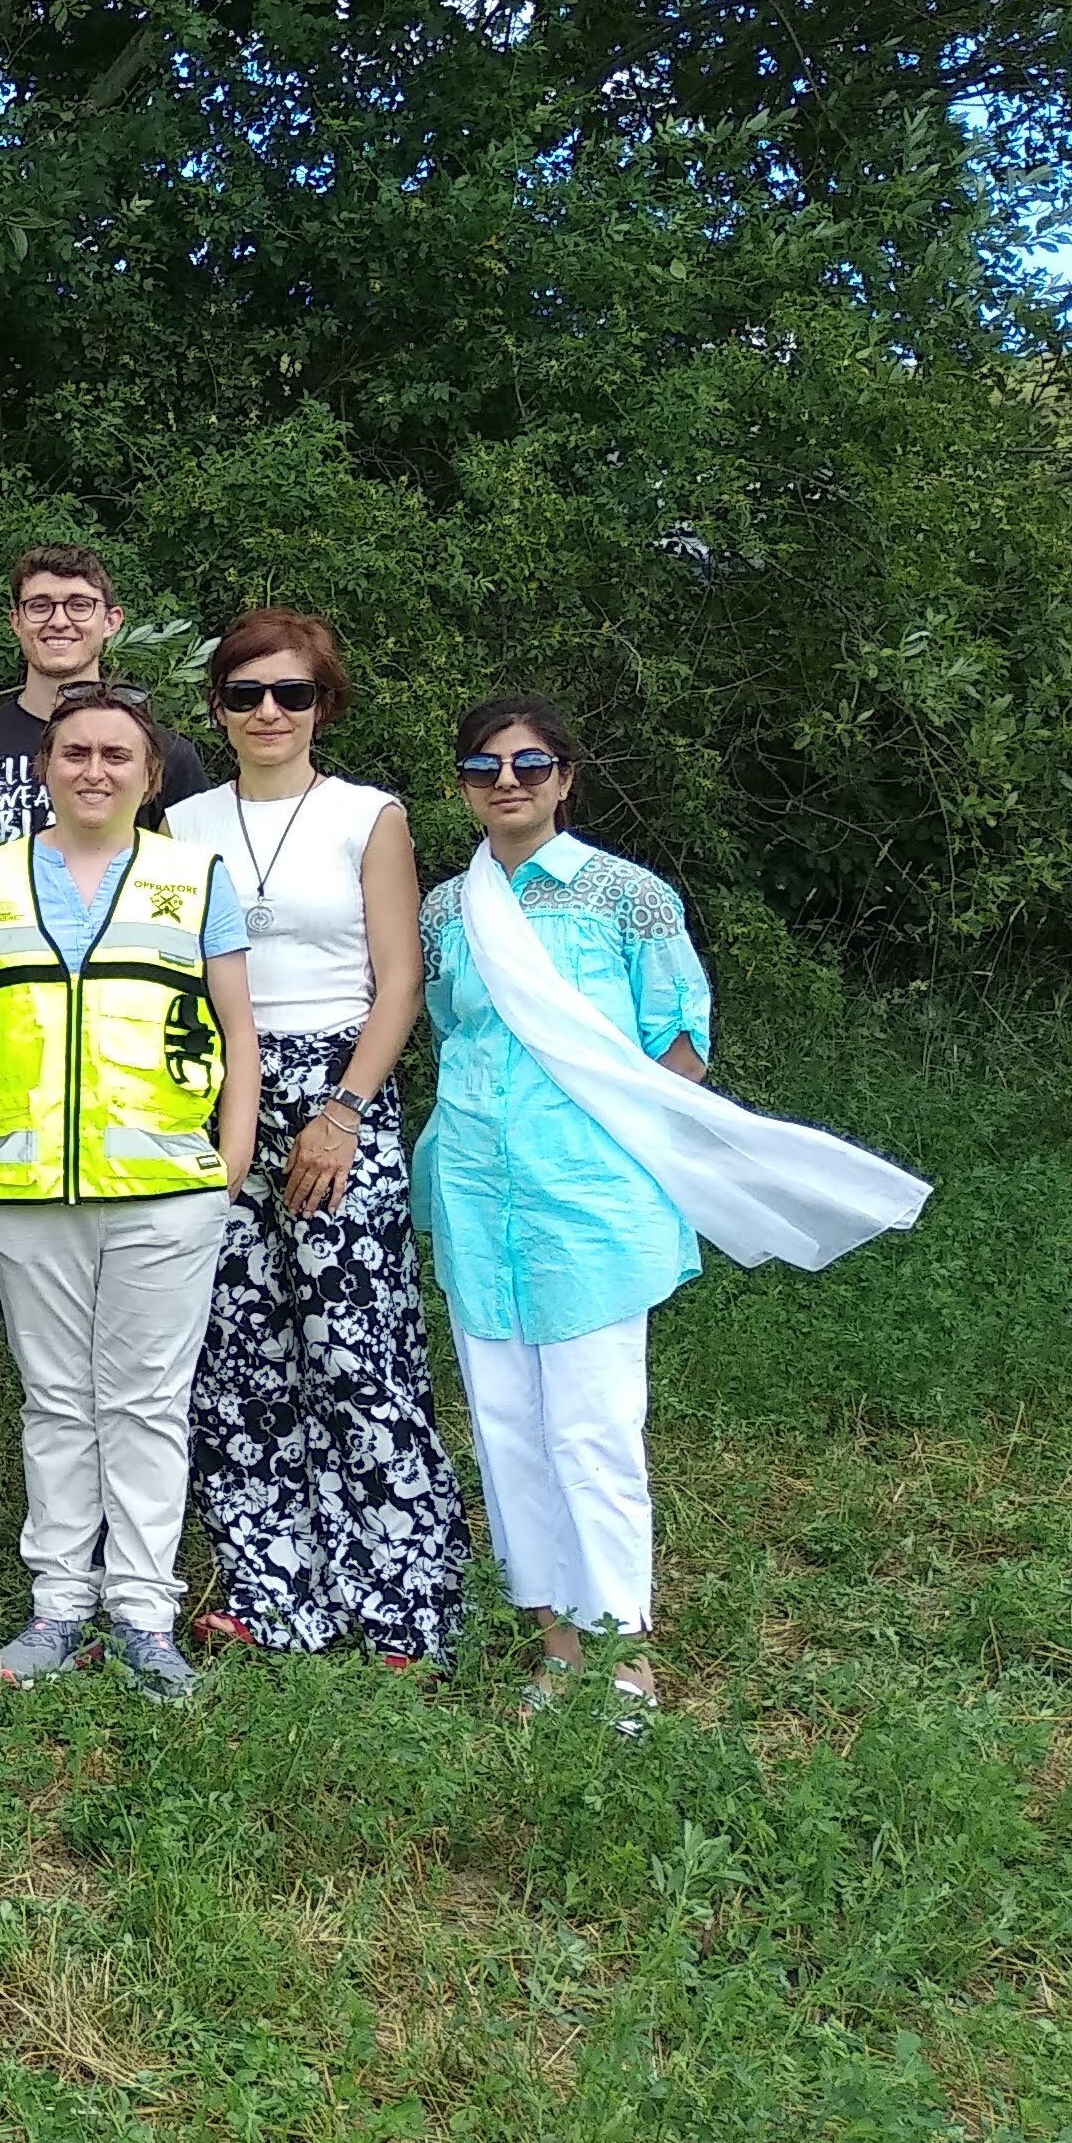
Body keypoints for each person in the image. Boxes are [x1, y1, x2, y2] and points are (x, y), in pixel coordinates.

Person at [0, 685, 256, 1703]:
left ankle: (144, 1614)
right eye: (74, 753)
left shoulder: (193, 876)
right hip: (25, 1186)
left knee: (147, 1404)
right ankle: (60, 1604)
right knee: (58, 1402)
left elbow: (239, 1028)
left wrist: (232, 1158)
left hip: (165, 1186)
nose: (93, 771)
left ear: (151, 777)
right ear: (46, 768)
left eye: (117, 755)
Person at [0, 546, 211, 1578]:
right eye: (38, 605)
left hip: (136, 1116)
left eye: (78, 604)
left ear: (112, 618)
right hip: (4, 1089)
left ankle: (136, 1547)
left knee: (136, 1350)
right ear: (15, 621)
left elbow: (197, 930)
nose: (58, 620)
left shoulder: (171, 757)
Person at [165, 611, 459, 1665]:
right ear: (218, 709)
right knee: (237, 1349)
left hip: (339, 1085)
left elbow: (400, 981)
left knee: (354, 1345)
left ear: (322, 706)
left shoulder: (365, 816)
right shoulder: (183, 822)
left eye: (290, 694)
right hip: (217, 1090)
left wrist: (342, 1112)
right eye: (244, 694)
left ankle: (400, 1600)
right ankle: (272, 1589)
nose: (268, 713)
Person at [412, 696, 710, 1724]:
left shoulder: (628, 897)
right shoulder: (446, 911)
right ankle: (556, 1650)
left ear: (565, 778)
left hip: (589, 1201)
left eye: (529, 764)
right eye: (484, 767)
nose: (507, 782)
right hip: (476, 1194)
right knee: (506, 1430)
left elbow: (681, 1040)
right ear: (462, 785)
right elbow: (448, 1028)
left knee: (593, 1430)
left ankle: (626, 1661)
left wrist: (622, 1146)